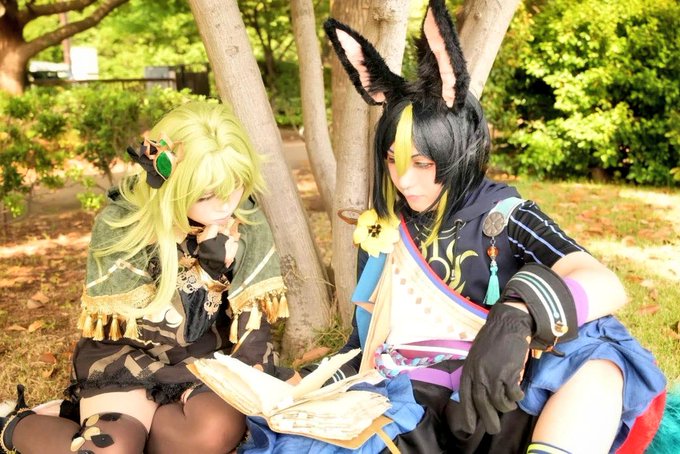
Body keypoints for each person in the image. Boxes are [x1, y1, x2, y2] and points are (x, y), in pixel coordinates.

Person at [321, 0, 668, 452]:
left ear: (459, 150)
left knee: (599, 350)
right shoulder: (383, 227)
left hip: (501, 397)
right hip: (408, 404)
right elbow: (364, 336)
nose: (404, 180)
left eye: (423, 163)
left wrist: (519, 314)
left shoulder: (506, 214)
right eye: (393, 161)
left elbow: (604, 283)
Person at [0, 101, 293, 454]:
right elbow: (153, 330)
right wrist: (208, 273)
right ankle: (14, 424)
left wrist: (251, 378)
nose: (225, 205)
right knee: (111, 448)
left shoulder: (246, 221)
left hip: (206, 358)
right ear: (170, 184)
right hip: (129, 356)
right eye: (205, 194)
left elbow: (253, 329)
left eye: (235, 185)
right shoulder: (121, 223)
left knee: (211, 434)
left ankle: (109, 423)